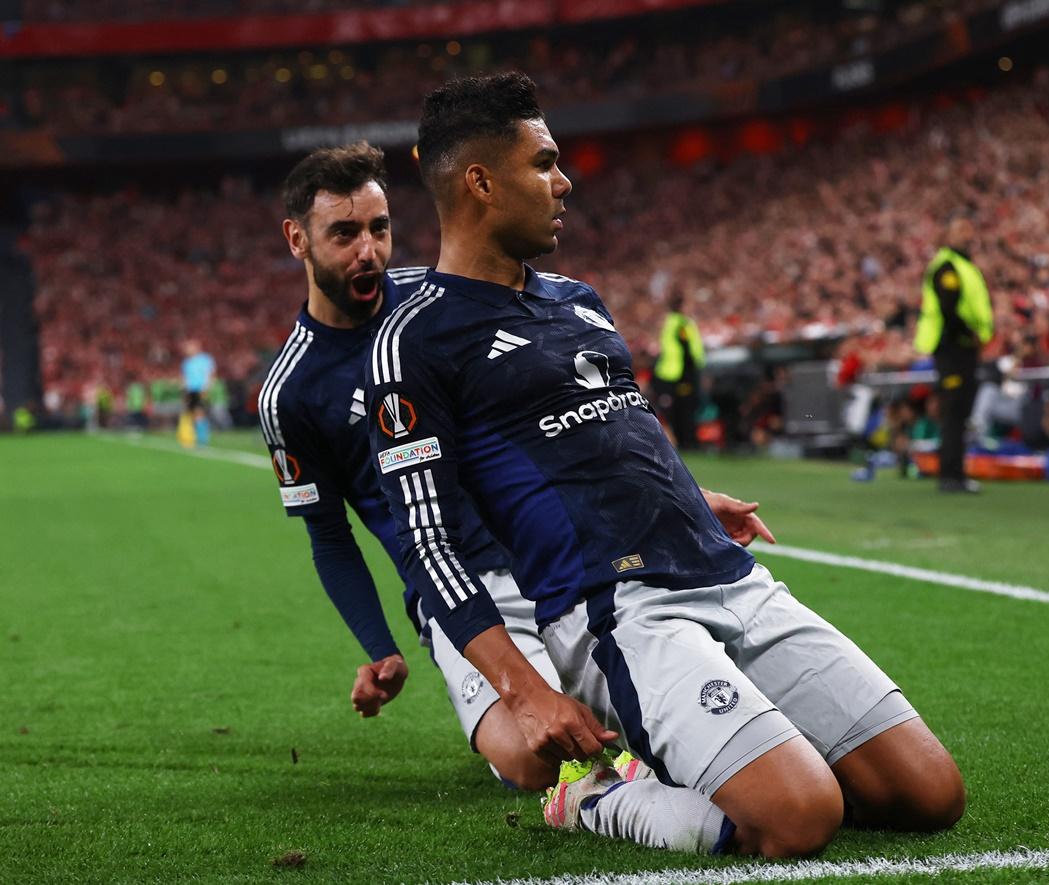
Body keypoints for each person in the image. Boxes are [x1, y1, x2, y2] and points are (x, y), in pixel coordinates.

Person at [365, 73, 963, 859]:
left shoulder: (578, 299)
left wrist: (687, 497)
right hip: (619, 609)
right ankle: (599, 795)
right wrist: (527, 689)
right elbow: (428, 544)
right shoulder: (413, 343)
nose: (563, 180)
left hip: (726, 575)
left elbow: (619, 432)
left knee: (929, 795)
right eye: (543, 163)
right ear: (479, 182)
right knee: (799, 818)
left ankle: (724, 757)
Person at [258, 142, 774, 792]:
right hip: (460, 586)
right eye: (344, 233)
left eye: (379, 228)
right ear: (297, 240)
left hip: (557, 553)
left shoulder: (442, 307)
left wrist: (688, 500)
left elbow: (570, 426)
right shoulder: (291, 393)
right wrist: (380, 648)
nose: (369, 250)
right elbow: (329, 539)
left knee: (674, 703)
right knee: (535, 761)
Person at [914, 216, 993, 493]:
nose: (966, 233)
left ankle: (954, 473)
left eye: (969, 227)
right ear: (948, 234)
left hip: (963, 348)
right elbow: (949, 309)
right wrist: (967, 334)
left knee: (958, 412)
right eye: (960, 228)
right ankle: (950, 475)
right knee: (954, 411)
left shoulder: (963, 265)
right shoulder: (947, 266)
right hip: (952, 347)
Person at [653, 293, 706, 448]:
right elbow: (687, 348)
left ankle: (680, 441)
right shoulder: (681, 323)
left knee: (677, 409)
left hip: (672, 372)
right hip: (678, 373)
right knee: (683, 409)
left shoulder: (671, 321)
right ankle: (685, 441)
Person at [180, 338, 215, 447]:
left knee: (199, 413)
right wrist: (184, 391)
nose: (188, 350)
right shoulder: (186, 362)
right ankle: (196, 437)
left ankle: (202, 439)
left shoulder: (205, 360)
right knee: (193, 414)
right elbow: (185, 378)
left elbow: (210, 374)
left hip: (201, 390)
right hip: (190, 391)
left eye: (190, 347)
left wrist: (206, 388)